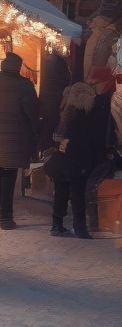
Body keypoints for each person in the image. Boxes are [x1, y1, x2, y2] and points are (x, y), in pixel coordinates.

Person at [0, 51, 40, 229]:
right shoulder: (24, 85)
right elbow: (32, 113)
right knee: (9, 174)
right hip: (16, 136)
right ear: (18, 67)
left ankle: (0, 210)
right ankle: (6, 216)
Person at [48, 75, 112, 237]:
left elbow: (58, 134)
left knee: (61, 192)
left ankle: (56, 224)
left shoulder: (67, 112)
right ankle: (80, 228)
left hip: (63, 160)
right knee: (78, 194)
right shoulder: (90, 115)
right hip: (80, 162)